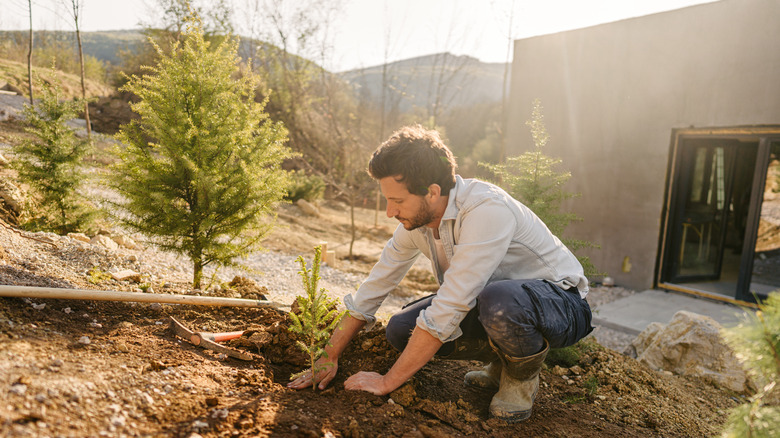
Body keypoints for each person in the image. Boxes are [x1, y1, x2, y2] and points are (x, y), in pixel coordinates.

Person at [288, 125, 593, 422]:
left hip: (560, 304)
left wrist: (386, 381)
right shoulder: (416, 223)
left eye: (397, 201)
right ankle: (499, 361)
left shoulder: (486, 209)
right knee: (400, 329)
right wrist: (328, 355)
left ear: (432, 192)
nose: (389, 212)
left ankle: (520, 377)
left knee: (499, 300)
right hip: (492, 302)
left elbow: (451, 305)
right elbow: (374, 287)